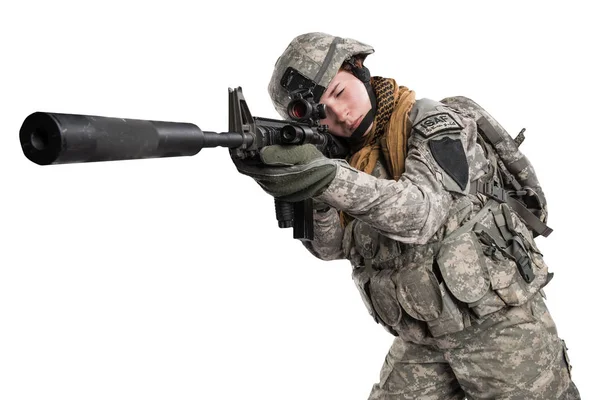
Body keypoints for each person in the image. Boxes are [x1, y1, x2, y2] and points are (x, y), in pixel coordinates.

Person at [232, 32, 580, 399]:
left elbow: (422, 214)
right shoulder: (342, 157)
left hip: (500, 322)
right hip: (423, 332)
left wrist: (326, 177)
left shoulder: (435, 123)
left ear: (358, 69)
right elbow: (331, 247)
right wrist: (306, 187)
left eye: (338, 93)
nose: (341, 115)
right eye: (323, 112)